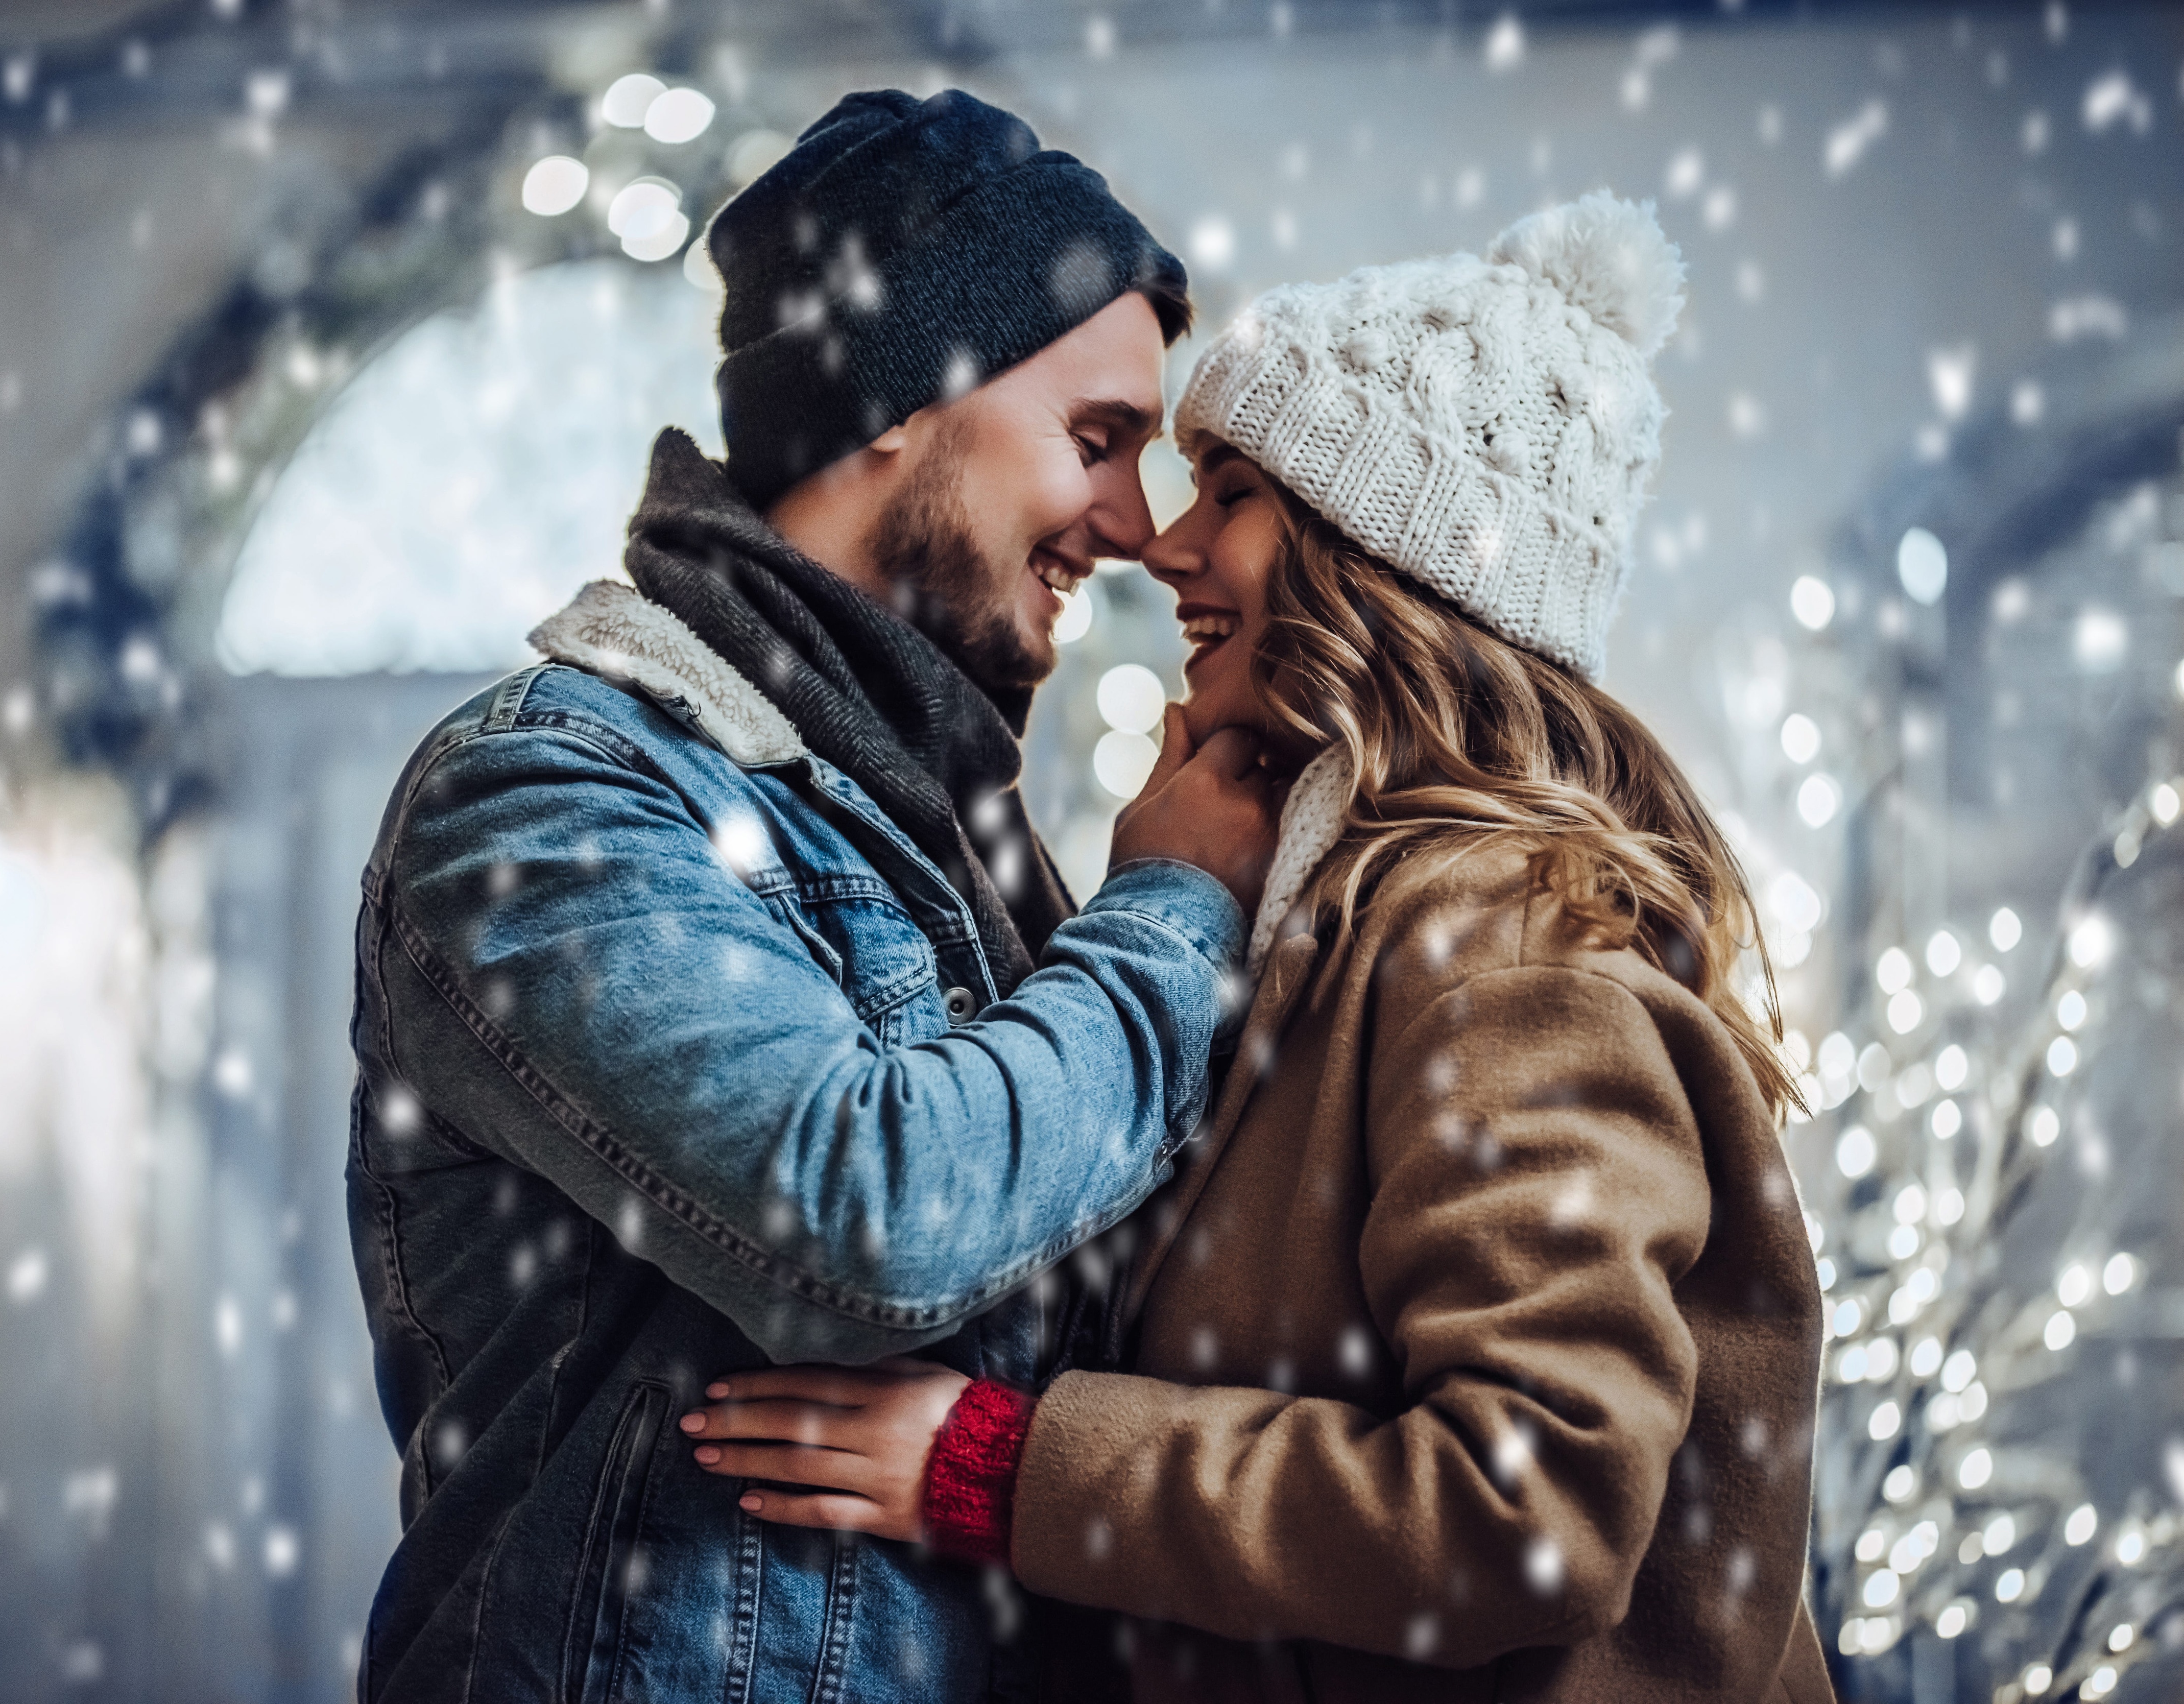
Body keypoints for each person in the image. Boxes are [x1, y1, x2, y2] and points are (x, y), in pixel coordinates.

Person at [682, 195, 1840, 1702]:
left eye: (1226, 485)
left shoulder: (1510, 948)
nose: (1162, 542)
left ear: (1376, 558)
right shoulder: (1330, 915)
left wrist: (1003, 1469)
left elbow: (1530, 1511)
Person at [345, 89, 1282, 1702]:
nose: (1134, 528)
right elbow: (864, 1218)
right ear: (896, 405)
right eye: (1099, 439)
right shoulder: (552, 793)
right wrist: (1177, 906)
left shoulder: (946, 827)